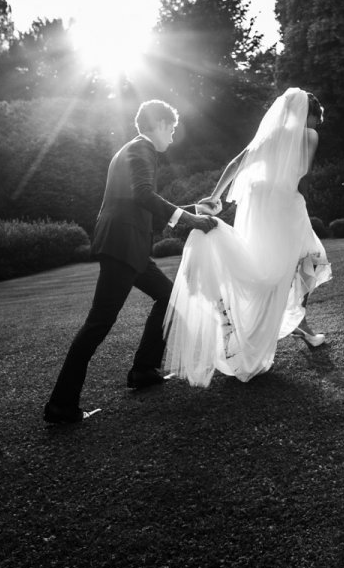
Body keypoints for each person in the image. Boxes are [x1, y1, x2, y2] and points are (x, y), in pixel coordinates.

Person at [43, 100, 217, 424]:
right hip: (123, 246)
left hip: (129, 246)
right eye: (172, 129)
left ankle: (143, 370)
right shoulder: (143, 149)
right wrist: (191, 220)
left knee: (169, 297)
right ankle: (61, 405)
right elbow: (142, 195)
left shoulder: (133, 150)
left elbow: (141, 201)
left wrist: (195, 206)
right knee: (98, 324)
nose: (173, 137)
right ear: (159, 124)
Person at [162, 88, 332, 387]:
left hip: (261, 211)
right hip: (286, 210)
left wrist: (216, 196)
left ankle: (298, 326)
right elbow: (302, 177)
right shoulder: (309, 137)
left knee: (273, 269)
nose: (317, 124)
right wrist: (303, 205)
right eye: (315, 118)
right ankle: (291, 325)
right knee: (301, 265)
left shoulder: (268, 137)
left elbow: (235, 164)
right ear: (306, 114)